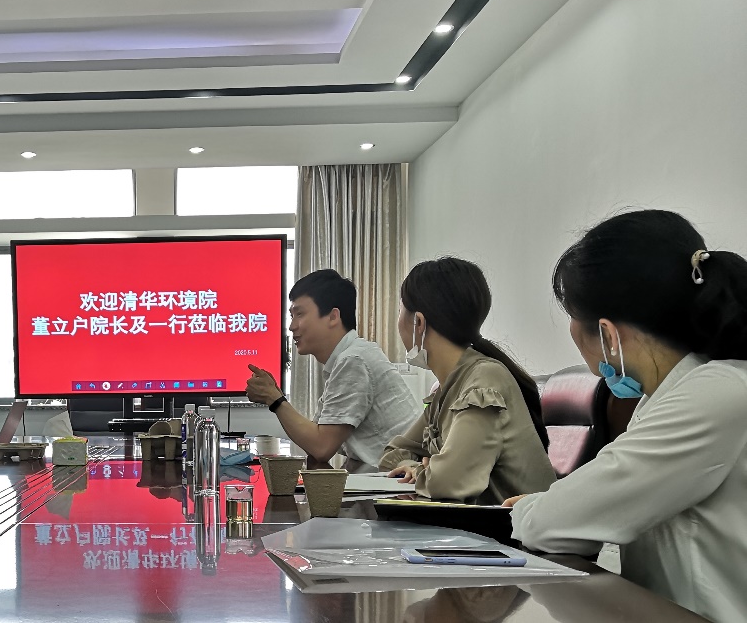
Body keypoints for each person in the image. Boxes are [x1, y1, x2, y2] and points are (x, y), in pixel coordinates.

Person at [507, 210, 747, 623]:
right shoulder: (673, 395)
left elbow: (554, 524)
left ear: (607, 333)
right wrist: (546, 507)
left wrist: (533, 508)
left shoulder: (715, 393)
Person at [379, 257, 555, 504]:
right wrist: (415, 465)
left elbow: (449, 483)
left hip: (511, 527)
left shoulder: (484, 381)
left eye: (400, 311)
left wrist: (420, 470)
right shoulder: (446, 389)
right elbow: (391, 454)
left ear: (418, 322)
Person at [245, 270, 421, 472]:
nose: (292, 326)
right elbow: (314, 438)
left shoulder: (354, 360)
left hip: (396, 483)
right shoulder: (347, 358)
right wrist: (275, 394)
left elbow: (321, 447)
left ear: (333, 316)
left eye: (299, 314)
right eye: (291, 316)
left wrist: (274, 399)